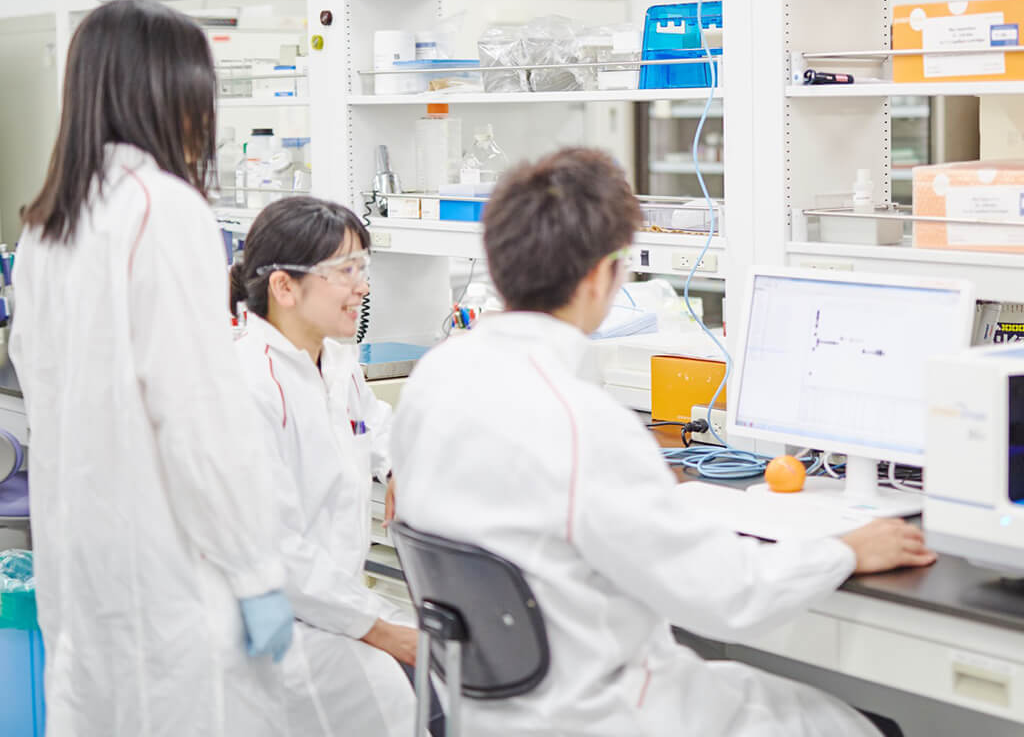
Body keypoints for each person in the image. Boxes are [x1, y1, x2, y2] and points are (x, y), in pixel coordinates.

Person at [390, 147, 936, 736]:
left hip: (492, 715)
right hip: (603, 714)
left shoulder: (438, 376)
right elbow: (729, 596)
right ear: (602, 275)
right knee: (849, 725)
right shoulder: (582, 422)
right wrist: (848, 550)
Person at [9, 0, 294, 736]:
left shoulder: (53, 222)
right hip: (168, 570)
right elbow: (197, 418)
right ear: (168, 93)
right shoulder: (161, 209)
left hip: (82, 558)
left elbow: (37, 376)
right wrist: (257, 572)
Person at [229, 195, 425, 736]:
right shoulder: (249, 385)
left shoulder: (334, 361)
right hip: (277, 625)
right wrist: (380, 631)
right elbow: (276, 549)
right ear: (284, 286)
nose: (361, 287)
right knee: (391, 701)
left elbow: (376, 425)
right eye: (345, 270)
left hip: (331, 604)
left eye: (363, 267)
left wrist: (399, 467)